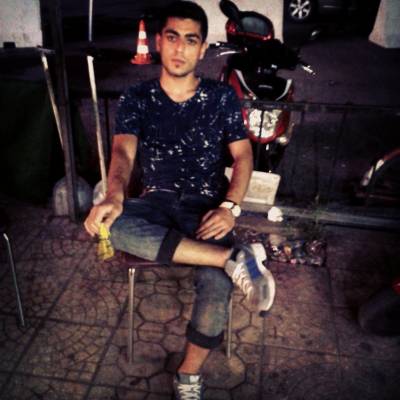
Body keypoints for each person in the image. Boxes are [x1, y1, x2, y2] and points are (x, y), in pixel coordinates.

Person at [84, 1, 275, 399]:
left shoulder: (220, 97)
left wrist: (230, 208)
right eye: (172, 37)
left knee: (216, 287)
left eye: (190, 40)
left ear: (202, 49)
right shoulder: (138, 96)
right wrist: (115, 195)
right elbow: (122, 153)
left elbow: (243, 156)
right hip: (155, 199)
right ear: (159, 42)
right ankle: (232, 258)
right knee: (110, 224)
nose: (180, 48)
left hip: (205, 208)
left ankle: (188, 375)